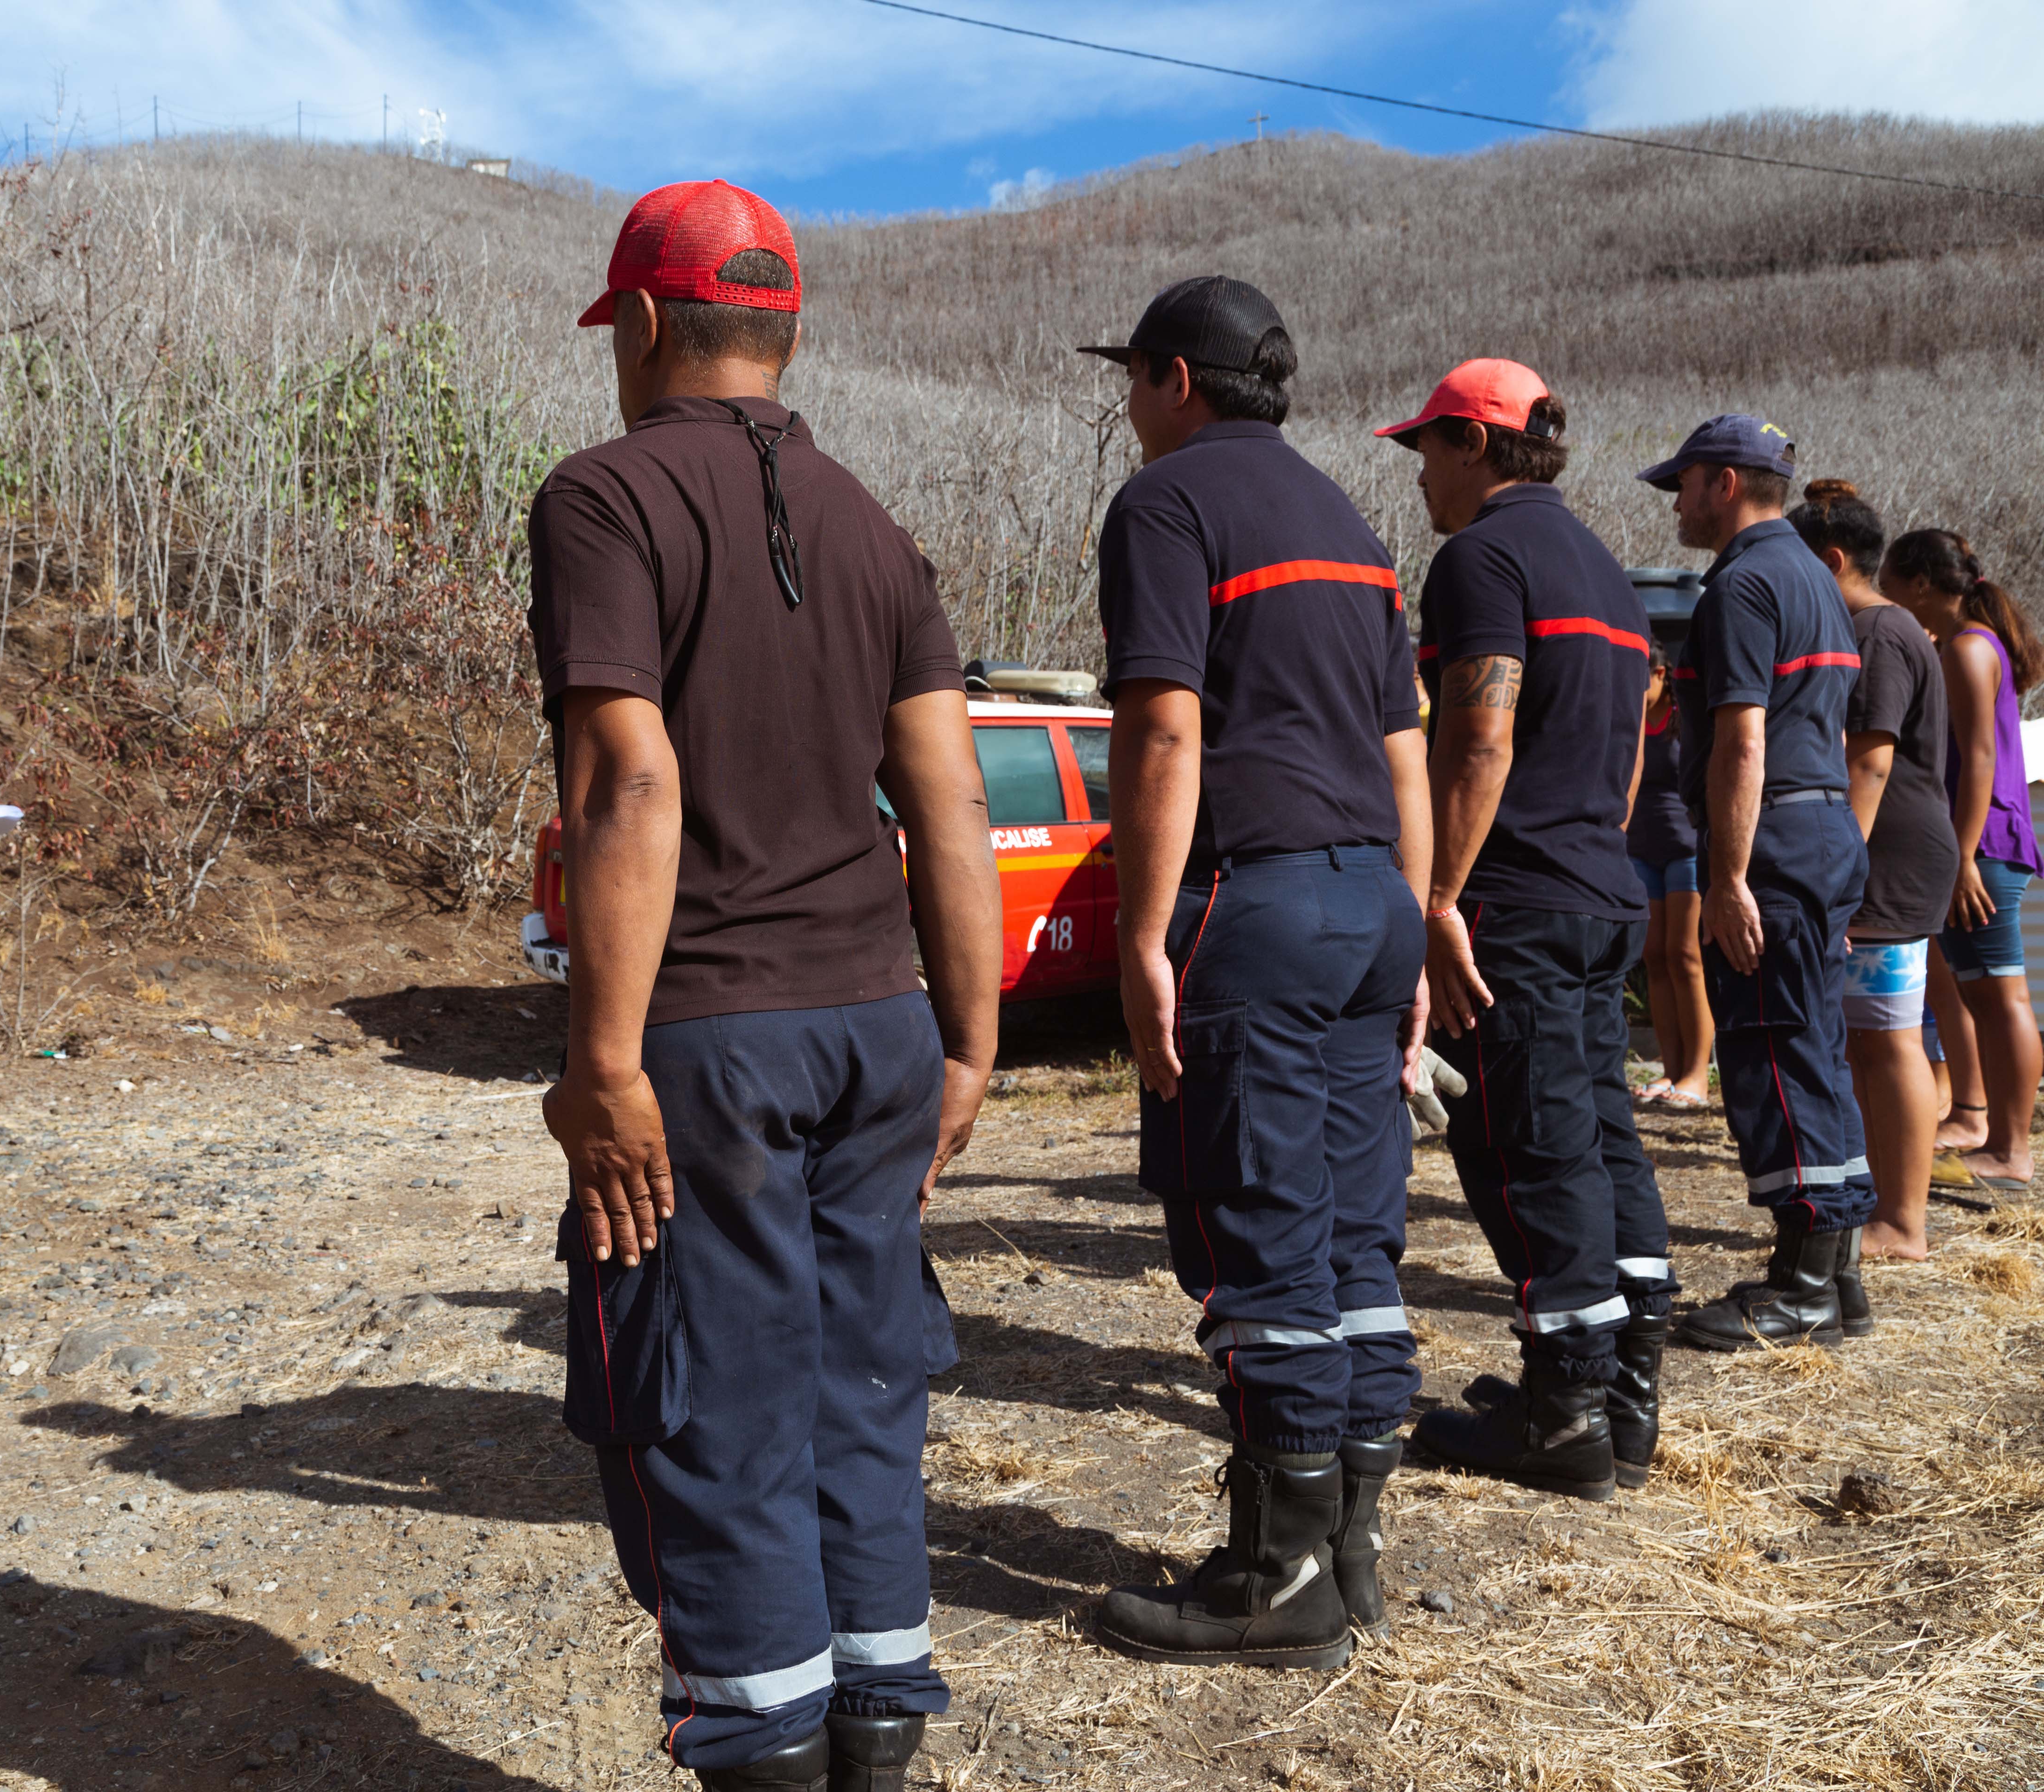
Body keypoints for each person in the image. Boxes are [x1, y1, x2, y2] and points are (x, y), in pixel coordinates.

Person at [529, 179, 1003, 1792]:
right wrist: (973, 1038)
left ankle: (758, 1754)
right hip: (880, 1027)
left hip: (715, 1038)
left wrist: (601, 1063)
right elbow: (950, 795)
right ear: (782, 330)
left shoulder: (603, 502)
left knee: (711, 1416)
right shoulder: (878, 525)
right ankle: (872, 1744)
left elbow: (629, 786)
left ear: (647, 323)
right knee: (862, 1392)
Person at [1085, 276, 1430, 1666]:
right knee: (1355, 1238)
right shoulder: (1350, 523)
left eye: (1131, 377)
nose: (1126, 404)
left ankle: (1277, 1578)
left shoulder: (1165, 506)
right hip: (1369, 898)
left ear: (1176, 378)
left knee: (1266, 1235)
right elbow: (1404, 743)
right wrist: (1415, 917)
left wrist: (1141, 934)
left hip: (1260, 903)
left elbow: (1166, 731)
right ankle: (1347, 1549)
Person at [1376, 359, 1674, 1500]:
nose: (1417, 479)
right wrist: (1592, 833)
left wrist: (1437, 896)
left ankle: (1565, 1418)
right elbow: (1640, 728)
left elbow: (1479, 731)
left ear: (1468, 443)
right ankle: (1620, 1400)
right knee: (1599, 1134)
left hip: (1517, 898)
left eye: (1423, 452)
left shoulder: (1480, 559)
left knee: (1524, 1146)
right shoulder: (1600, 564)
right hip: (1598, 884)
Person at [1644, 417, 1875, 1351]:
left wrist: (1729, 877)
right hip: (1817, 827)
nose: (1678, 500)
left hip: (1773, 835)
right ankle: (1840, 1272)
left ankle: (1803, 1283)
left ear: (1727, 483)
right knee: (1815, 1044)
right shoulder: (1816, 579)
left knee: (1776, 1054)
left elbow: (1742, 737)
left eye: (1687, 484)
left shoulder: (1742, 585)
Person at [1791, 483, 1953, 1279]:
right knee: (1864, 1038)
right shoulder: (1859, 626)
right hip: (1870, 859)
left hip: (1885, 862)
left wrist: (1839, 870)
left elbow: (1871, 757)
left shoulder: (1881, 630)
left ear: (1829, 561)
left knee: (1890, 1041)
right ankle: (1880, 1201)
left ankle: (1904, 1219)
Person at [1890, 527, 2042, 1197]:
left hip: (1985, 845)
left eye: (1893, 579)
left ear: (1922, 584)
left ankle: (2012, 1148)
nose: (1887, 592)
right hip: (1976, 844)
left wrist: (1962, 857)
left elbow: (1979, 757)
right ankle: (1998, 1139)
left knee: (2002, 995)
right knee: (1985, 990)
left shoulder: (1970, 648)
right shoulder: (1963, 644)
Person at [1629, 644, 1715, 1111]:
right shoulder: (1627, 720)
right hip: (1641, 851)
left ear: (1661, 674)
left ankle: (1698, 1075)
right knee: (1655, 958)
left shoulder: (1689, 719)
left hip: (1686, 849)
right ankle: (1672, 1068)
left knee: (1686, 956)